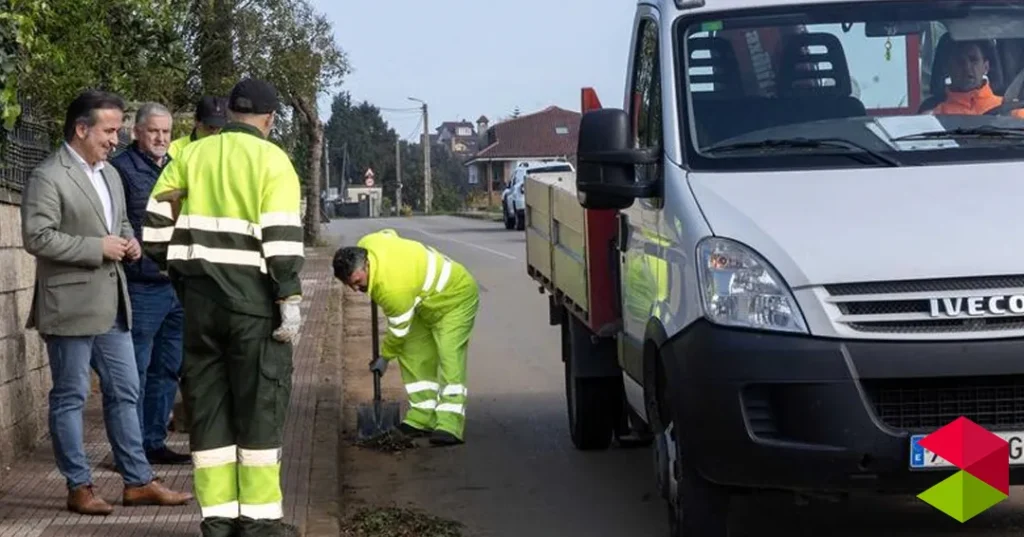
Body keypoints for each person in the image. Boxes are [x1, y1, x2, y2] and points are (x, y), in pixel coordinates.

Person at [141, 78, 304, 537]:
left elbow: (153, 229)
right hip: (253, 305)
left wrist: (181, 276)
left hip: (198, 306)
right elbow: (281, 239)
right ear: (269, 120)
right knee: (258, 407)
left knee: (208, 409)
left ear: (230, 113)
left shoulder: (190, 154)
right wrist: (288, 298)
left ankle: (217, 521)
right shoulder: (273, 160)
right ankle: (259, 523)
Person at [20, 89, 194, 515]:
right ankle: (79, 485)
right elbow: (37, 237)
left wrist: (130, 241)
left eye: (117, 130)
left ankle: (137, 481)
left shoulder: (109, 173)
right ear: (81, 129)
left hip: (114, 305)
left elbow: (118, 222)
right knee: (71, 396)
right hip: (70, 307)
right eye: (109, 130)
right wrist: (98, 247)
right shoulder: (49, 175)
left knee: (126, 390)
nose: (115, 139)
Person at [332, 229, 479, 446]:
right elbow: (389, 233)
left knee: (448, 355)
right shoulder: (368, 242)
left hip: (455, 298)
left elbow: (398, 331)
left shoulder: (392, 290)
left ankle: (450, 424)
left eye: (358, 281)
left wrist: (384, 357)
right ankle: (422, 417)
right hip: (423, 302)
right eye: (350, 284)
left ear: (367, 265)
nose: (355, 289)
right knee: (413, 353)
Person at [109, 102, 190, 465]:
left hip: (175, 286)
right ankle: (129, 450)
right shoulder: (120, 171)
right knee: (134, 372)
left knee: (167, 368)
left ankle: (154, 441)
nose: (161, 138)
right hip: (141, 287)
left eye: (166, 132)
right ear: (136, 132)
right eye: (154, 131)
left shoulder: (177, 169)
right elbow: (113, 223)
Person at [931, 39, 1024, 118]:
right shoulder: (935, 117)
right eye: (959, 61)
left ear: (986, 67)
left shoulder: (1011, 110)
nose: (967, 67)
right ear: (947, 68)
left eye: (973, 60)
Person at [167, 95, 227, 160]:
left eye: (218, 127)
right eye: (210, 127)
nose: (215, 132)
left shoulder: (226, 150)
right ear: (196, 120)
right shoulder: (175, 149)